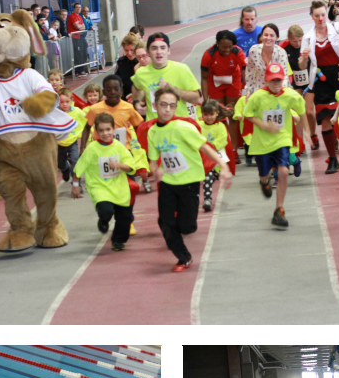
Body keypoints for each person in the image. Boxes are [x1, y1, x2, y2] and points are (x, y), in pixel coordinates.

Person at [147, 84, 232, 271]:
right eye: (163, 105)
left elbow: (205, 147)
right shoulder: (152, 131)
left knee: (187, 227)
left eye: (172, 105)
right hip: (169, 182)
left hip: (189, 181)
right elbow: (153, 160)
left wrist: (223, 165)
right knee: (165, 222)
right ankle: (184, 257)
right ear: (155, 105)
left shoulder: (183, 128)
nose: (167, 109)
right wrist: (156, 170)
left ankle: (179, 232)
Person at [299, 0, 339, 174]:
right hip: (321, 80)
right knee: (326, 120)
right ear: (311, 16)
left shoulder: (336, 27)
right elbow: (302, 65)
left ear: (326, 14)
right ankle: (333, 160)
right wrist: (304, 58)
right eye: (317, 15)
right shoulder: (307, 37)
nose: (320, 18)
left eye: (323, 15)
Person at [243, 63, 307, 228]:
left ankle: (279, 209)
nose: (276, 84)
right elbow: (248, 115)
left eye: (279, 80)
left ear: (283, 79)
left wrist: (307, 132)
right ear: (266, 80)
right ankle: (264, 182)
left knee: (284, 172)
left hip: (282, 139)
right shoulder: (258, 96)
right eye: (273, 81)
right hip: (262, 143)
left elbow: (301, 110)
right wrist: (264, 126)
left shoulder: (290, 95)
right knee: (264, 175)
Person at [73, 111, 136, 252]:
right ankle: (103, 220)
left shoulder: (119, 147)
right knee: (106, 210)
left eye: (108, 129)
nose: (105, 133)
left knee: (125, 218)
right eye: (101, 130)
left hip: (119, 188)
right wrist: (75, 185)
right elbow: (78, 168)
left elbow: (131, 166)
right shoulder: (92, 149)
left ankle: (118, 241)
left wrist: (119, 165)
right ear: (96, 132)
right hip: (99, 187)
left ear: (114, 129)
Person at [131, 32, 202, 120]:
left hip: (179, 126)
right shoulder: (141, 73)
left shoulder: (181, 69)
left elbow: (195, 99)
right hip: (155, 127)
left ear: (168, 50)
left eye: (162, 48)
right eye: (154, 48)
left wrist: (174, 90)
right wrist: (136, 102)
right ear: (148, 52)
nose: (159, 52)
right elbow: (136, 87)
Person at [200, 30, 246, 153]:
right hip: (214, 84)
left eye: (229, 47)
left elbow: (245, 73)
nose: (227, 49)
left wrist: (245, 90)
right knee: (218, 116)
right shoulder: (208, 54)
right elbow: (204, 78)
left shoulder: (238, 52)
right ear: (217, 44)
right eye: (223, 47)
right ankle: (223, 148)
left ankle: (234, 150)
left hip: (233, 82)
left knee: (232, 115)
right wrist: (206, 100)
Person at [199, 99, 231, 212]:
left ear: (217, 113)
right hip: (201, 159)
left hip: (216, 159)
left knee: (209, 177)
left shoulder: (221, 127)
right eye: (205, 114)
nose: (208, 117)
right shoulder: (198, 125)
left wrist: (210, 146)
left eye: (211, 114)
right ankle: (203, 198)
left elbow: (223, 141)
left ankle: (206, 197)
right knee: (204, 178)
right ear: (201, 114)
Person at [244, 24, 289, 97]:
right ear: (261, 36)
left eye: (272, 35)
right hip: (259, 91)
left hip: (276, 92)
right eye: (266, 35)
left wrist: (281, 93)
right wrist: (249, 91)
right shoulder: (253, 50)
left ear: (277, 38)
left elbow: (284, 76)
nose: (268, 38)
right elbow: (249, 73)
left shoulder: (281, 53)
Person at [56, 88, 85, 186]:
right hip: (59, 143)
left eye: (67, 102)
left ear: (72, 101)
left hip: (72, 141)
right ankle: (65, 169)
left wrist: (92, 131)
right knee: (60, 163)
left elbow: (87, 120)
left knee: (75, 161)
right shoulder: (55, 113)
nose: (64, 104)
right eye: (61, 102)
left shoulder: (77, 112)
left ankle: (77, 183)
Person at [115, 32, 141, 98]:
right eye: (126, 50)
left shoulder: (141, 62)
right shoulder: (120, 62)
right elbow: (116, 79)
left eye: (132, 50)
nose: (129, 53)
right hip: (124, 97)